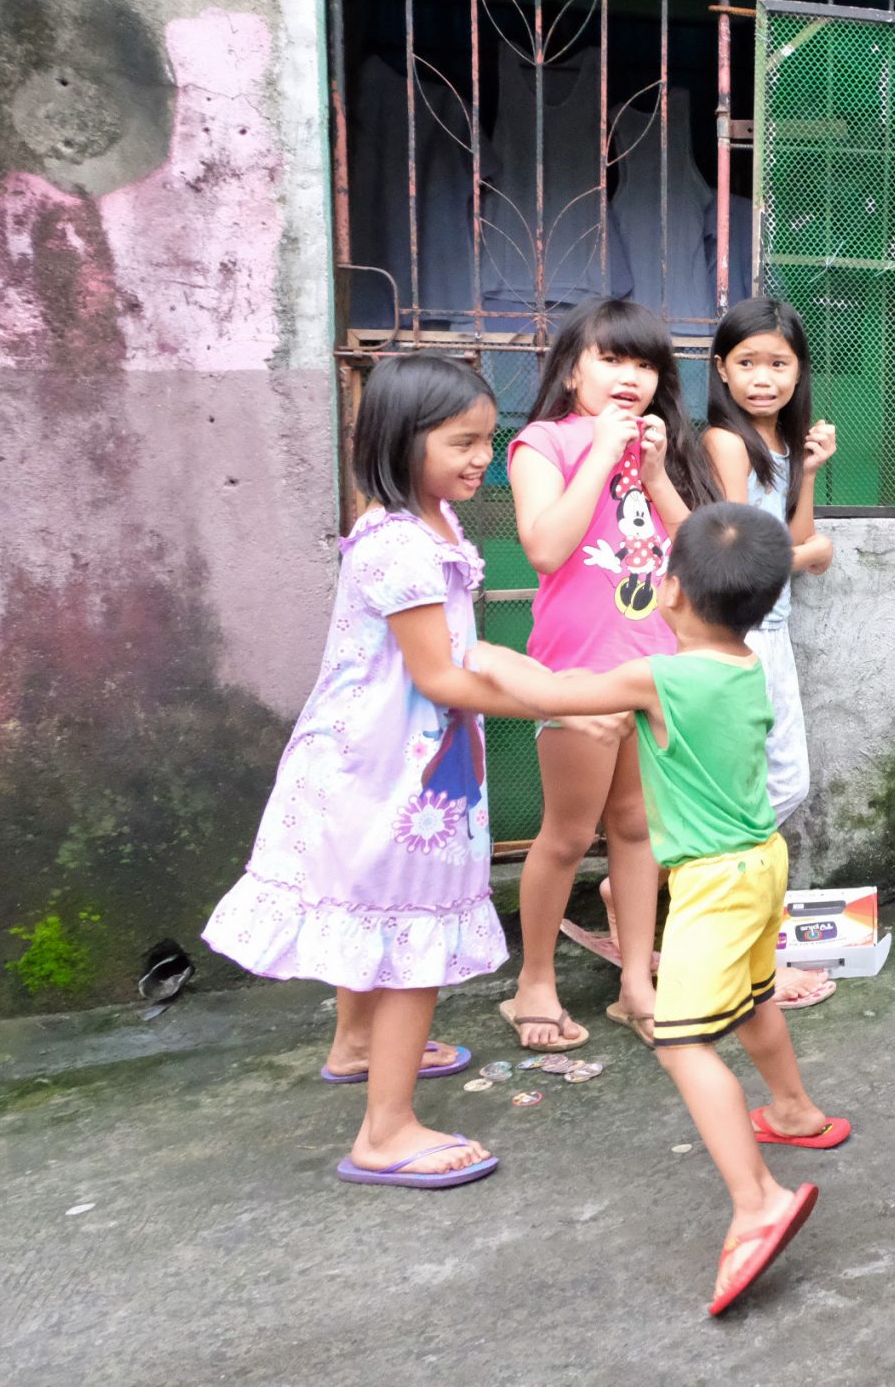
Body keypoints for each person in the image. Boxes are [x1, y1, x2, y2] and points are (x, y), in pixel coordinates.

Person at [203, 354, 619, 1187]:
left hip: (397, 769)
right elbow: (441, 677)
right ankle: (385, 1132)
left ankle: (357, 1045)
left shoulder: (433, 528)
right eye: (461, 443)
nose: (480, 459)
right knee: (408, 938)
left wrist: (567, 687)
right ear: (401, 440)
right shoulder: (401, 545)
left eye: (487, 441)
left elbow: (473, 650)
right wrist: (558, 709)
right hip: (389, 778)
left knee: (376, 919)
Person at [472, 502, 847, 1315]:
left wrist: (487, 655)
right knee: (752, 999)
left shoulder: (661, 677)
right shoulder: (746, 665)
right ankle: (795, 1109)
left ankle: (758, 1201)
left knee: (682, 1044)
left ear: (668, 591)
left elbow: (557, 690)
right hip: (761, 865)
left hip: (712, 885)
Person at [503, 298, 715, 1051]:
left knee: (637, 830)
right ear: (572, 369)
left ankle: (637, 984)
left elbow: (704, 557)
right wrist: (599, 451)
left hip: (654, 671)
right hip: (578, 673)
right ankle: (533, 982)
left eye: (646, 364)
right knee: (565, 834)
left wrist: (656, 475)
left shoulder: (658, 451)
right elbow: (545, 549)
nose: (631, 376)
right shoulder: (542, 444)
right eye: (612, 359)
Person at [700, 297, 838, 1011]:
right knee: (766, 788)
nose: (763, 378)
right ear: (721, 369)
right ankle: (742, 943)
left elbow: (791, 534)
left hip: (771, 630)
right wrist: (808, 554)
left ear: (798, 371)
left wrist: (808, 470)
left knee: (779, 785)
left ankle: (689, 897)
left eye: (777, 364)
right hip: (737, 633)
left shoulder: (776, 445)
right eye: (747, 363)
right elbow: (740, 551)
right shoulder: (726, 442)